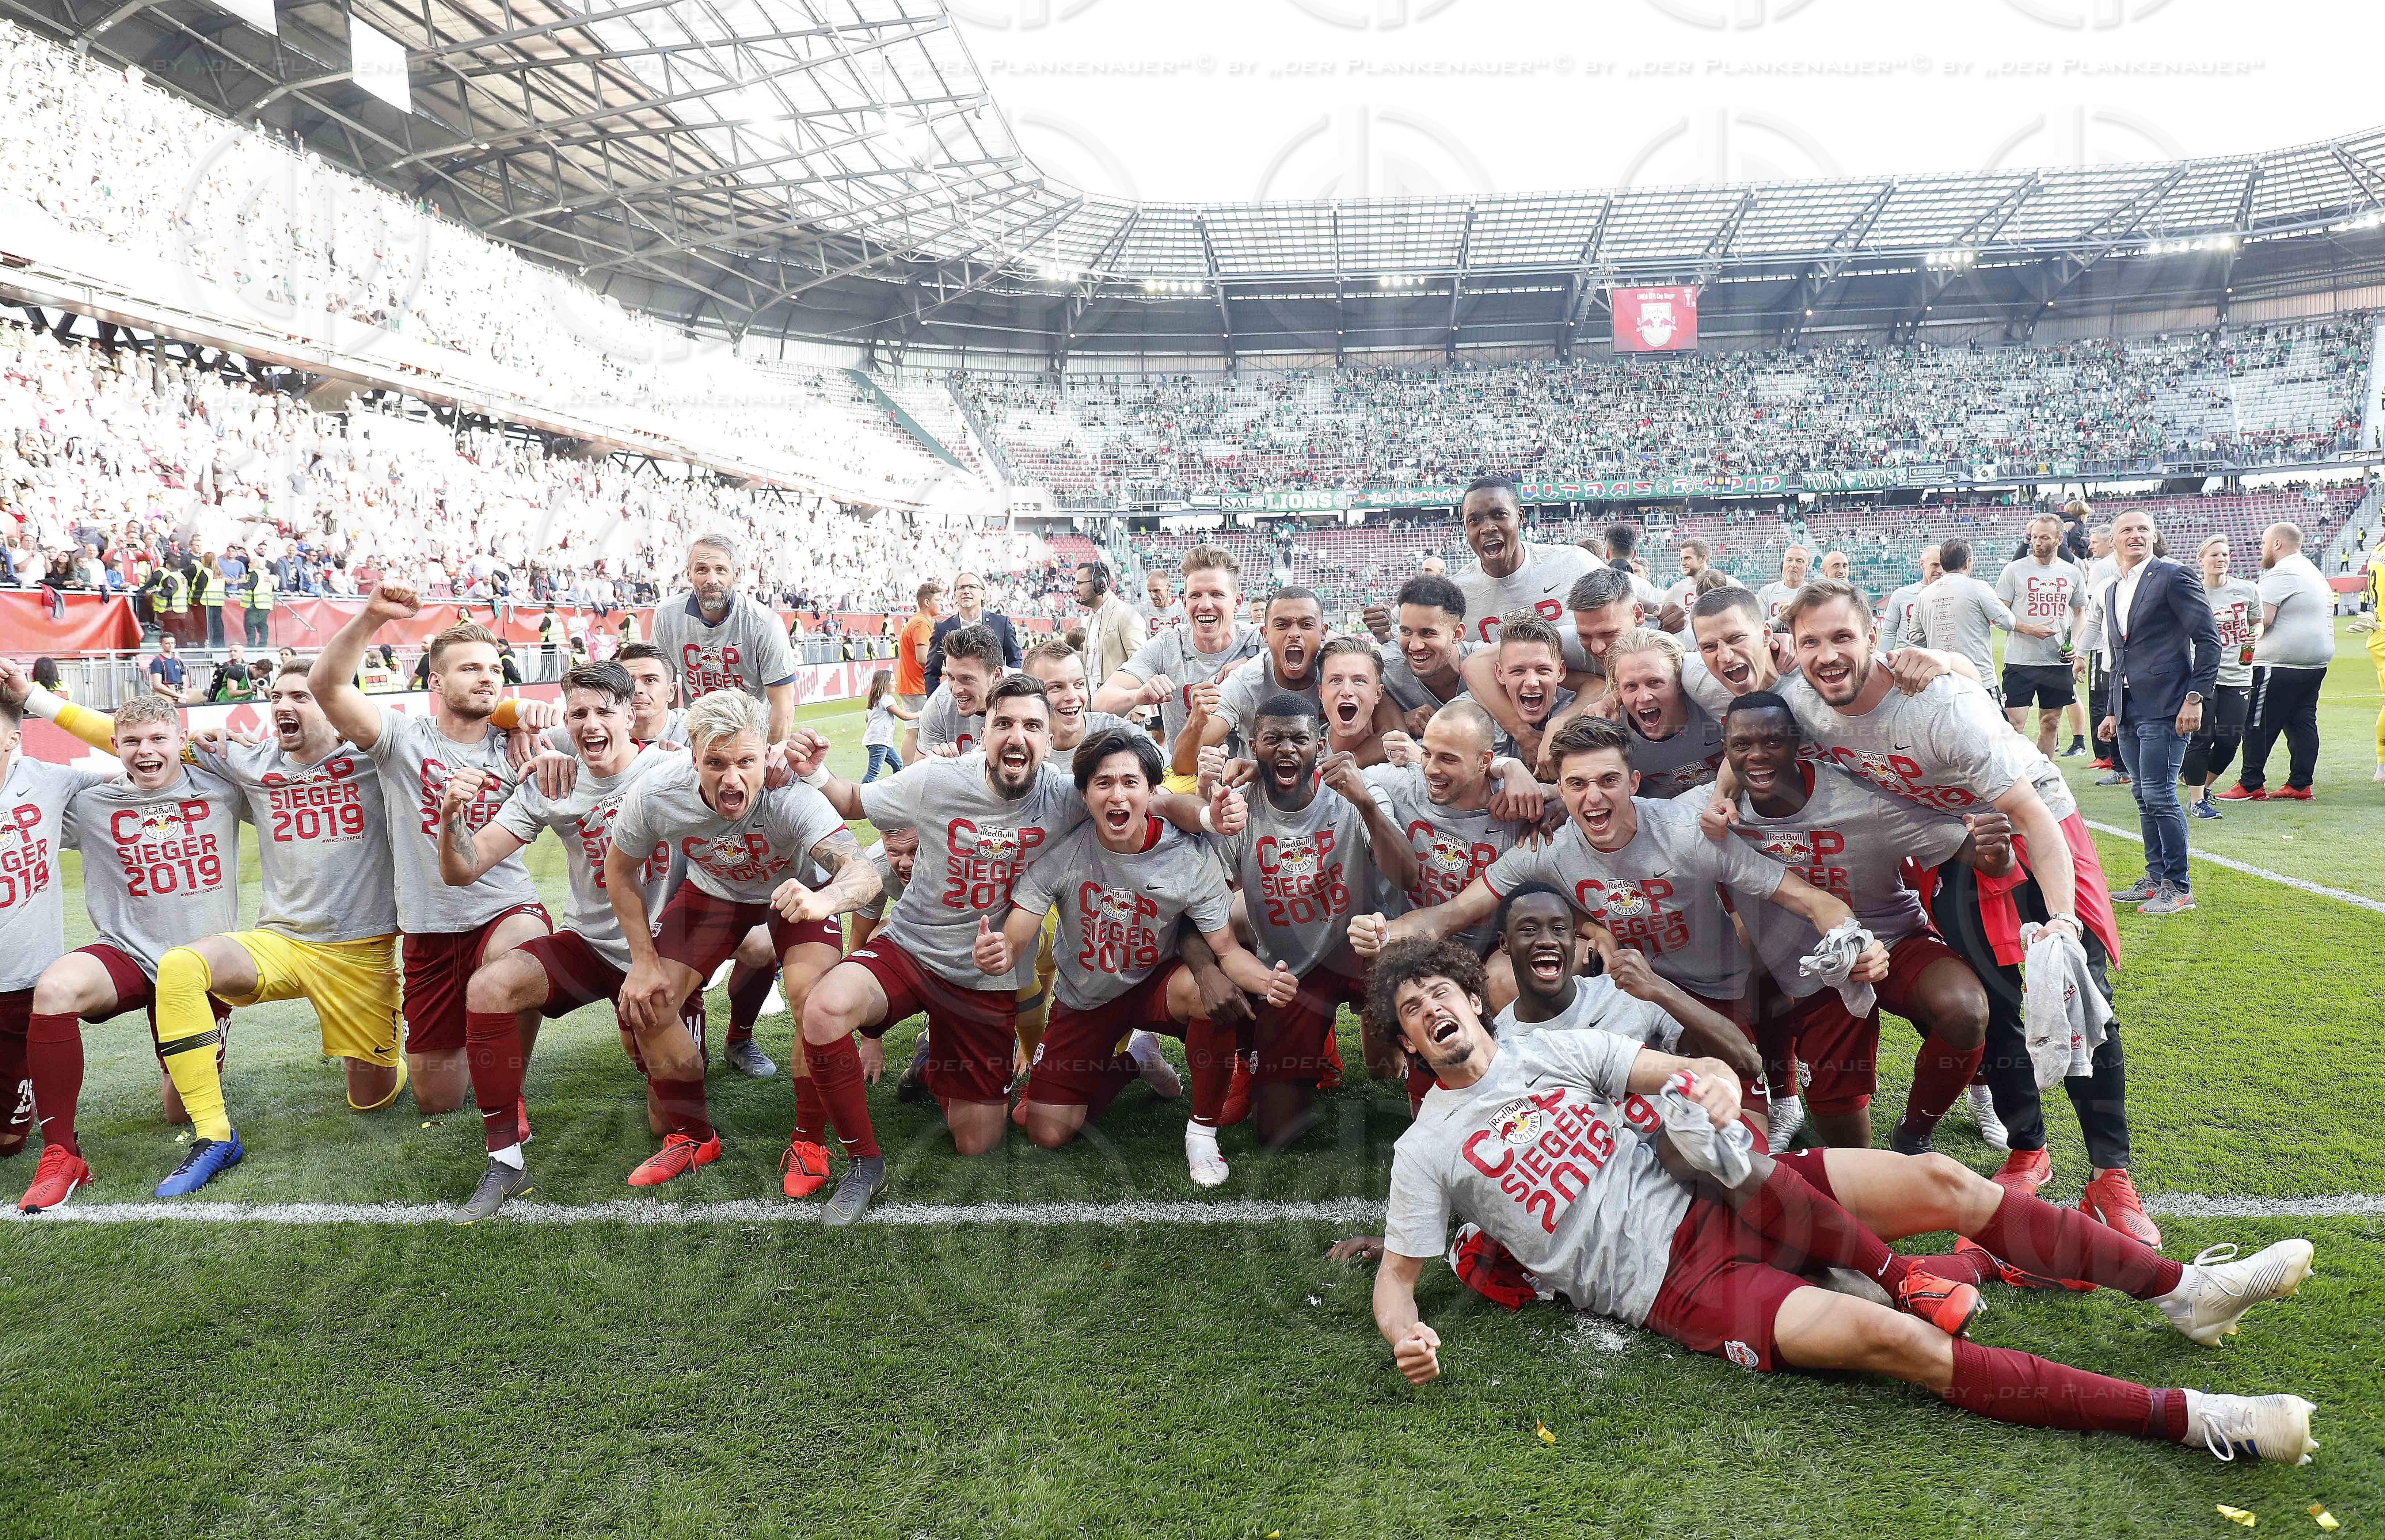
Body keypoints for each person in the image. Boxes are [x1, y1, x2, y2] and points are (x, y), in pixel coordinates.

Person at [1362, 939, 2321, 1468]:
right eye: (1410, 1010)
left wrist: (1700, 1085)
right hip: (1679, 1287)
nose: (1431, 1011)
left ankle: (2183, 1294)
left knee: (1948, 1183)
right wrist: (1404, 1327)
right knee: (1900, 1345)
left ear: (1474, 1001)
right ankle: (2198, 1418)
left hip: (1731, 1197)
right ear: (1407, 1044)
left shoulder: (1556, 1051)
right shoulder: (1428, 1151)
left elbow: (1683, 1066)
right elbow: (1402, 1279)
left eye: (1440, 990)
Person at [1763, 580, 2146, 1241]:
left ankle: (2110, 1171)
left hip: (2036, 826)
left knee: (2077, 983)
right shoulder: (1794, 701)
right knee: (1993, 1001)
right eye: (1811, 642)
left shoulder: (1935, 707)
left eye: (1841, 637)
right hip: (1955, 841)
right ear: (1791, 648)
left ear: (1873, 639)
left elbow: (2028, 811)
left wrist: (2058, 918)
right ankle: (2029, 1149)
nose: (1827, 655)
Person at [787, 676, 1236, 1217]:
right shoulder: (935, 780)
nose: (1016, 736)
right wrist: (814, 770)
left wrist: (1209, 817)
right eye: (1004, 723)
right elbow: (855, 800)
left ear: (1050, 742)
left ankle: (940, 1061)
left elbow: (1160, 803)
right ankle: (865, 1165)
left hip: (987, 977)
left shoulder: (1069, 795)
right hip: (914, 948)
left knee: (979, 1142)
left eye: (1031, 726)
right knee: (824, 1008)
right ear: (984, 731)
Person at [1353, 715, 1891, 1123]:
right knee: (1613, 1134)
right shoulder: (1551, 847)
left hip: (1711, 996)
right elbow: (1451, 914)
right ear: (1558, 793)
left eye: (1608, 781)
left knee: (1735, 1134)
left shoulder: (1689, 832)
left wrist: (1854, 941)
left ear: (1634, 782)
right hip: (1623, 1002)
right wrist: (1385, 930)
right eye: (1577, 785)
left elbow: (1812, 901)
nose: (1594, 797)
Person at [21, 658, 408, 1194]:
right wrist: (34, 698)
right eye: (279, 696)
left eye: (303, 696)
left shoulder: (377, 759)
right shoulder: (239, 765)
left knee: (375, 1097)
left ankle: (395, 1061)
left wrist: (513, 716)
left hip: (361, 951)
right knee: (164, 970)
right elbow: (126, 740)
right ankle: (213, 1138)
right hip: (268, 942)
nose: (284, 706)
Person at [433, 665, 686, 1216]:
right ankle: (505, 1163)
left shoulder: (674, 769)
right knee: (491, 987)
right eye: (579, 714)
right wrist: (452, 817)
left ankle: (665, 1036)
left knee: (668, 1121)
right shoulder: (553, 781)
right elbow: (464, 869)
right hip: (590, 946)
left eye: (604, 712)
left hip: (664, 958)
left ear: (630, 714)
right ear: (565, 721)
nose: (591, 725)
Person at [986, 729, 1290, 1185]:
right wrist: (1000, 950)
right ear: (1085, 792)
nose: (1118, 795)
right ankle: (1137, 1061)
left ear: (1153, 790)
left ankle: (1202, 1131)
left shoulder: (1187, 856)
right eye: (1103, 783)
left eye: (1131, 782)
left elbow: (1226, 948)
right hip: (1085, 995)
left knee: (1216, 993)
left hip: (1155, 984)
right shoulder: (1064, 852)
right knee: (1042, 1127)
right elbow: (1018, 931)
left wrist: (1268, 981)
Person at [605, 690, 874, 1194]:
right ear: (692, 757)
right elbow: (619, 870)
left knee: (812, 998)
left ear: (765, 754)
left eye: (746, 761)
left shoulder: (791, 795)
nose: (732, 779)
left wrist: (827, 899)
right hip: (712, 892)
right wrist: (642, 961)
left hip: (797, 893)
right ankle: (693, 1136)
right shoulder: (658, 791)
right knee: (649, 1000)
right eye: (716, 762)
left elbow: (863, 873)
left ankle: (809, 1140)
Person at [1720, 691, 2005, 1154]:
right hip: (1812, 963)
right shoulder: (1719, 816)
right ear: (1726, 749)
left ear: (1798, 743)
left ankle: (1915, 1133)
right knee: (1850, 1149)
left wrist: (1997, 847)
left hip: (1893, 938)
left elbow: (1984, 858)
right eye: (1742, 744)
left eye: (1772, 742)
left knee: (1966, 1010)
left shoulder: (1862, 800)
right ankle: (1792, 1098)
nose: (1757, 756)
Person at [309, 587, 557, 1115]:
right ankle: (476, 1044)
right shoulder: (401, 738)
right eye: (469, 668)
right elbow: (326, 685)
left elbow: (606, 727)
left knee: (523, 953)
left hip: (503, 909)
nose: (487, 677)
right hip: (429, 928)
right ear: (437, 681)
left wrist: (520, 716)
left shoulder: (521, 741)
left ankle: (509, 1088)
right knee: (438, 1102)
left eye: (495, 669)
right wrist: (373, 616)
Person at [14, 694, 246, 1207]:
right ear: (114, 745)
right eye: (134, 741)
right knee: (55, 988)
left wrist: (234, 745)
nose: (146, 751)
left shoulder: (224, 789)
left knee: (180, 1112)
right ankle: (61, 1154)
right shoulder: (92, 803)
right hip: (124, 955)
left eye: (159, 739)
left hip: (198, 967)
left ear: (180, 742)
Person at [2096, 508, 2220, 916]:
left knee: (2161, 794)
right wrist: (2114, 711)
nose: (2135, 535)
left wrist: (2195, 697)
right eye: (2126, 530)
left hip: (2168, 705)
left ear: (2154, 536)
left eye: (2142, 529)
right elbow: (2120, 656)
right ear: (2113, 540)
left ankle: (2179, 886)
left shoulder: (2174, 575)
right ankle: (2155, 878)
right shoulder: (2113, 588)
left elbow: (2209, 640)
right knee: (2142, 794)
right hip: (2130, 710)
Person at [1094, 544, 1261, 790]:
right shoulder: (1167, 645)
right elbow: (1101, 703)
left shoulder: (1259, 641)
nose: (1205, 605)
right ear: (1184, 602)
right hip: (1185, 780)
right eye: (1196, 595)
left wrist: (1253, 663)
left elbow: (1319, 649)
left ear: (1237, 602)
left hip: (1249, 780)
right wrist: (1138, 696)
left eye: (1216, 594)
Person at [2221, 521, 2335, 802]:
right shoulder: (2313, 571)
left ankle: (2251, 783)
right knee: (2302, 722)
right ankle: (2300, 783)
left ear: (2277, 544)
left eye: (2263, 544)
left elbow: (2264, 620)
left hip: (2279, 662)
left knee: (2257, 722)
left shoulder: (2280, 574)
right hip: (2315, 662)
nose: (2261, 549)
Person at [649, 533, 799, 743]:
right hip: (698, 738)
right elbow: (661, 686)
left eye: (721, 570)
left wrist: (771, 759)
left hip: (750, 739)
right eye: (702, 570)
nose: (712, 580)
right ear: (689, 574)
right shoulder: (667, 615)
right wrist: (671, 740)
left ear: (736, 574)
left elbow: (783, 705)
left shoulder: (765, 624)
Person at [1452, 475, 1602, 664]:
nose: (1488, 528)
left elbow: (1629, 594)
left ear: (1520, 517)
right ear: (1465, 528)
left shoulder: (1573, 562)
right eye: (1474, 520)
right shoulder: (1455, 597)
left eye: (1499, 515)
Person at [1996, 514, 2087, 756]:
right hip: (2020, 660)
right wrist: (2029, 629)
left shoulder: (2072, 572)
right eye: (2035, 537)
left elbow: (2080, 613)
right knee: (2014, 725)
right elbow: (1999, 614)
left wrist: (2075, 642)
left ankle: (2044, 777)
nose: (2037, 542)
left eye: (2044, 537)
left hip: (2057, 661)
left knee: (2052, 723)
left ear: (2059, 540)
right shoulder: (2014, 570)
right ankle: (2013, 781)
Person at [2181, 537, 2257, 822]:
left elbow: (2257, 621)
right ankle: (2198, 800)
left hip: (2239, 675)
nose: (2220, 559)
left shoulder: (2248, 590)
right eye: (2214, 555)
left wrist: (2256, 634)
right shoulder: (2192, 592)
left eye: (2225, 554)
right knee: (2202, 738)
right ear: (2201, 561)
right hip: (2204, 676)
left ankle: (2202, 784)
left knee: (2230, 739)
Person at [1910, 538, 2038, 699]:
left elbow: (1915, 637)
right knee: (1990, 724)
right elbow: (2007, 622)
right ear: (1968, 562)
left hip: (1941, 680)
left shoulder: (1924, 595)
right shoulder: (1979, 587)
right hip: (1979, 679)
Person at [906, 623, 1010, 759]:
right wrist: (940, 770)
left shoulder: (1025, 701)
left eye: (967, 679)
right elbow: (919, 775)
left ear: (996, 675)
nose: (955, 690)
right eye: (950, 677)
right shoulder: (939, 705)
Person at [924, 571, 1021, 696]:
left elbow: (1016, 661)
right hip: (960, 701)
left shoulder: (1002, 624)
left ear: (983, 594)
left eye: (972, 587)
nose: (966, 591)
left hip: (997, 698)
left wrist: (1006, 688)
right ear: (955, 595)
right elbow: (932, 672)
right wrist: (937, 702)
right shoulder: (942, 629)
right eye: (961, 588)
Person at [1075, 560, 1148, 696]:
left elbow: (1142, 663)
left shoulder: (1126, 614)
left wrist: (1139, 709)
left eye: (1079, 583)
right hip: (1097, 707)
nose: (1075, 589)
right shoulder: (1093, 617)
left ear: (1099, 583)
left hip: (1123, 709)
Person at [1876, 546, 1941, 668]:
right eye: (1935, 565)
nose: (1941, 570)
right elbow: (1889, 632)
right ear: (1922, 564)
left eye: (1944, 565)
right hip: (1907, 665)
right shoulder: (1901, 595)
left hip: (1939, 665)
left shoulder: (1951, 595)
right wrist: (1882, 665)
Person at [893, 582, 940, 715]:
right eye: (937, 600)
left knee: (913, 732)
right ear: (927, 602)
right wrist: (946, 670)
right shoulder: (921, 623)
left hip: (911, 685)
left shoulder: (916, 621)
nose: (940, 604)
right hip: (918, 686)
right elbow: (923, 658)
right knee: (927, 731)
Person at [861, 669, 912, 782]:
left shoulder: (875, 700)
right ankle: (860, 795)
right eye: (893, 681)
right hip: (879, 742)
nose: (896, 683)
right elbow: (903, 716)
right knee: (874, 772)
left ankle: (897, 788)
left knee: (898, 765)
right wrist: (920, 714)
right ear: (885, 684)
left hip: (882, 742)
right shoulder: (888, 699)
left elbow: (867, 719)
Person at [1754, 546, 1811, 629]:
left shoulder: (1812, 594)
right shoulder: (1767, 592)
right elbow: (1758, 629)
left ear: (1808, 566)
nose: (1793, 565)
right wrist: (1780, 619)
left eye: (1800, 561)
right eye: (1789, 560)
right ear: (1783, 564)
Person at [144, 633, 192, 703]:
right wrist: (178, 695)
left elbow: (185, 682)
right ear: (161, 644)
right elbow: (157, 685)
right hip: (166, 692)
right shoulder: (157, 661)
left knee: (204, 695)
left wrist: (183, 694)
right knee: (166, 705)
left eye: (172, 643)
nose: (171, 645)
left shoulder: (178, 661)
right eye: (167, 643)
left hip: (180, 691)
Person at [1137, 569, 1187, 633]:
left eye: (1156, 591)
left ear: (1168, 587)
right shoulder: (1144, 610)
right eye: (1149, 591)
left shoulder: (1182, 610)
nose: (1152, 596)